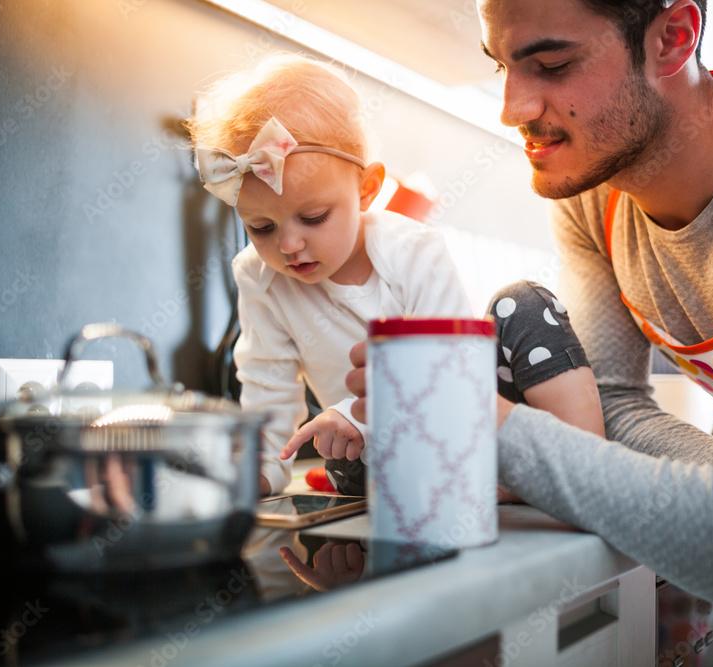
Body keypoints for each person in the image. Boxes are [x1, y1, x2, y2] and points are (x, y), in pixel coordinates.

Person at [345, 0, 713, 660]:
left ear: (672, 37)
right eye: (500, 65)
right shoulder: (593, 188)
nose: (511, 107)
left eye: (552, 63)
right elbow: (607, 403)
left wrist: (489, 424)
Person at [186, 55, 604, 498]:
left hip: (470, 424)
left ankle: (580, 466)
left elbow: (447, 368)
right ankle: (490, 485)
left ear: (367, 189)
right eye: (261, 227)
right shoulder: (258, 276)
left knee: (523, 303)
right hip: (387, 455)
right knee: (342, 462)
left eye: (313, 217)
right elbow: (266, 387)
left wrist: (353, 413)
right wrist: (261, 468)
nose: (288, 245)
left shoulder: (413, 251)